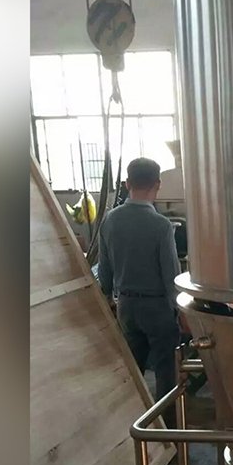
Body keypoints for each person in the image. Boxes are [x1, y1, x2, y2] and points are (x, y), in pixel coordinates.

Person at [98, 157, 181, 405]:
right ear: (158, 184)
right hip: (157, 308)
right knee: (166, 368)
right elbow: (171, 275)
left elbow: (104, 270)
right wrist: (180, 310)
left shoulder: (109, 220)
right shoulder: (161, 225)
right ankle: (166, 421)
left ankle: (132, 416)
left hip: (126, 306)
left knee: (132, 370)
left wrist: (107, 298)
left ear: (127, 183)